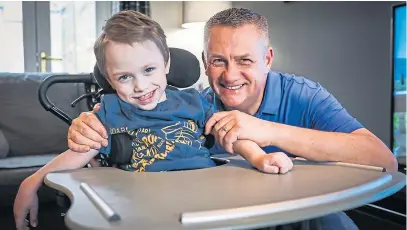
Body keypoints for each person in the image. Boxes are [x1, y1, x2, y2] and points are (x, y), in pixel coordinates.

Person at [67, 7, 398, 230]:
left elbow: (383, 159)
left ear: (267, 58)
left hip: (305, 218)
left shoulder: (303, 95)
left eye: (245, 60)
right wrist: (90, 130)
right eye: (218, 61)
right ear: (204, 61)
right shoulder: (196, 107)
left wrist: (265, 131)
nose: (230, 75)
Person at [13, 10, 294, 230]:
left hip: (208, 200)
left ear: (167, 64)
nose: (140, 86)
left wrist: (259, 158)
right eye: (125, 77)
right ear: (109, 79)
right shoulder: (111, 111)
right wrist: (34, 180)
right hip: (145, 208)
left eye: (149, 70)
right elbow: (82, 150)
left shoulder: (195, 102)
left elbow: (232, 135)